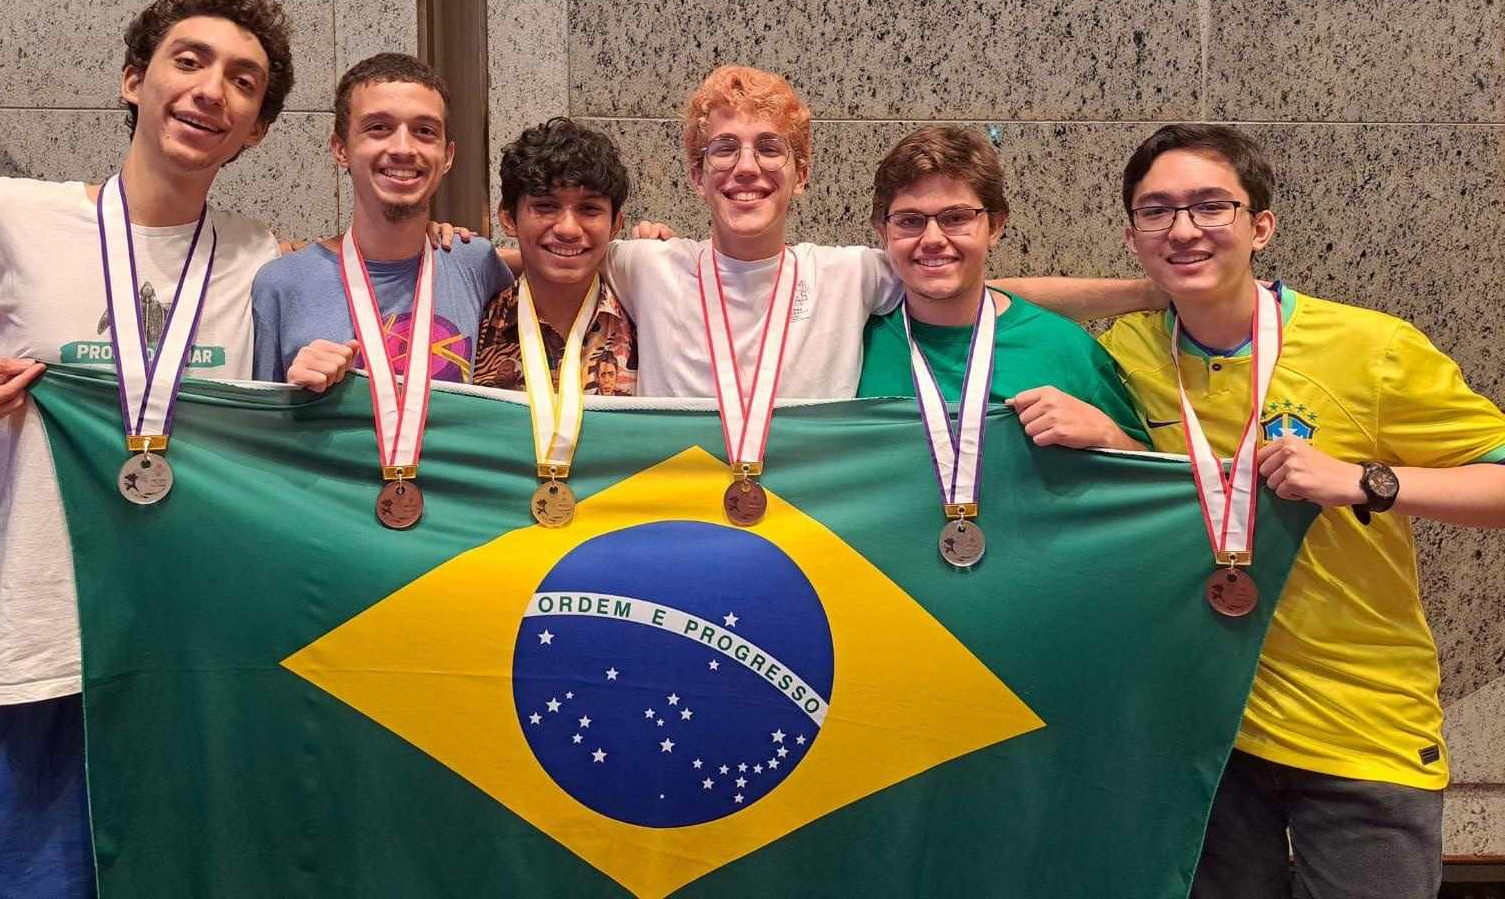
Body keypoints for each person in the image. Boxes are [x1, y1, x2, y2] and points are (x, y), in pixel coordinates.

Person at [0, 0, 295, 896]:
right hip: (36, 653)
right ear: (134, 79)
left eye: (242, 82)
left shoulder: (263, 260)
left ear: (256, 130)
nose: (211, 90)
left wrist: (470, 246)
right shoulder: (11, 214)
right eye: (189, 61)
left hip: (192, 660)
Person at [1097, 123, 1505, 899]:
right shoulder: (1125, 353)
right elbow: (976, 291)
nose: (1183, 228)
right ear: (1131, 236)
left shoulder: (1371, 349)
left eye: (1210, 206)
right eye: (1157, 212)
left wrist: (1367, 481)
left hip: (1358, 724)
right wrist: (1143, 305)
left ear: (1261, 227)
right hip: (1207, 732)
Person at [601, 64, 1157, 401]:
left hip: (807, 530)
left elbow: (988, 292)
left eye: (770, 148)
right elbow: (556, 253)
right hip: (684, 523)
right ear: (697, 176)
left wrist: (1151, 294)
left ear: (802, 175)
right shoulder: (643, 264)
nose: (747, 167)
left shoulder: (849, 275)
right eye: (724, 149)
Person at [855, 125, 1146, 451]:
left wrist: (1110, 436)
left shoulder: (1063, 348)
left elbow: (1153, 473)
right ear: (883, 233)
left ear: (994, 227)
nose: (933, 239)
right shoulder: (854, 343)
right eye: (909, 221)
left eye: (956, 218)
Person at [252, 53, 511, 389]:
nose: (403, 148)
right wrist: (297, 400)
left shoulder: (476, 263)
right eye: (379, 128)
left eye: (424, 131)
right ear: (341, 149)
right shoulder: (281, 284)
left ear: (446, 157)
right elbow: (256, 416)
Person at [473, 118, 638, 395]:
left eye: (589, 209)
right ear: (509, 218)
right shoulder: (473, 326)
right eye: (546, 206)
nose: (568, 229)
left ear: (615, 224)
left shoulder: (645, 324)